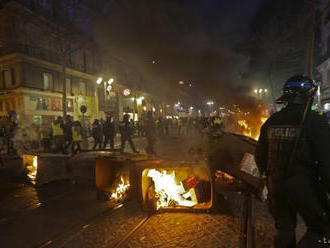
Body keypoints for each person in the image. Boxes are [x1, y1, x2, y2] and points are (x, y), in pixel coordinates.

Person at [255, 75, 330, 248]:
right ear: (308, 95)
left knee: (285, 228)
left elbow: (260, 156)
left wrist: (267, 178)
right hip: (304, 185)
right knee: (322, 228)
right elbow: (327, 162)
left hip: (276, 186)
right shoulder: (316, 122)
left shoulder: (271, 121)